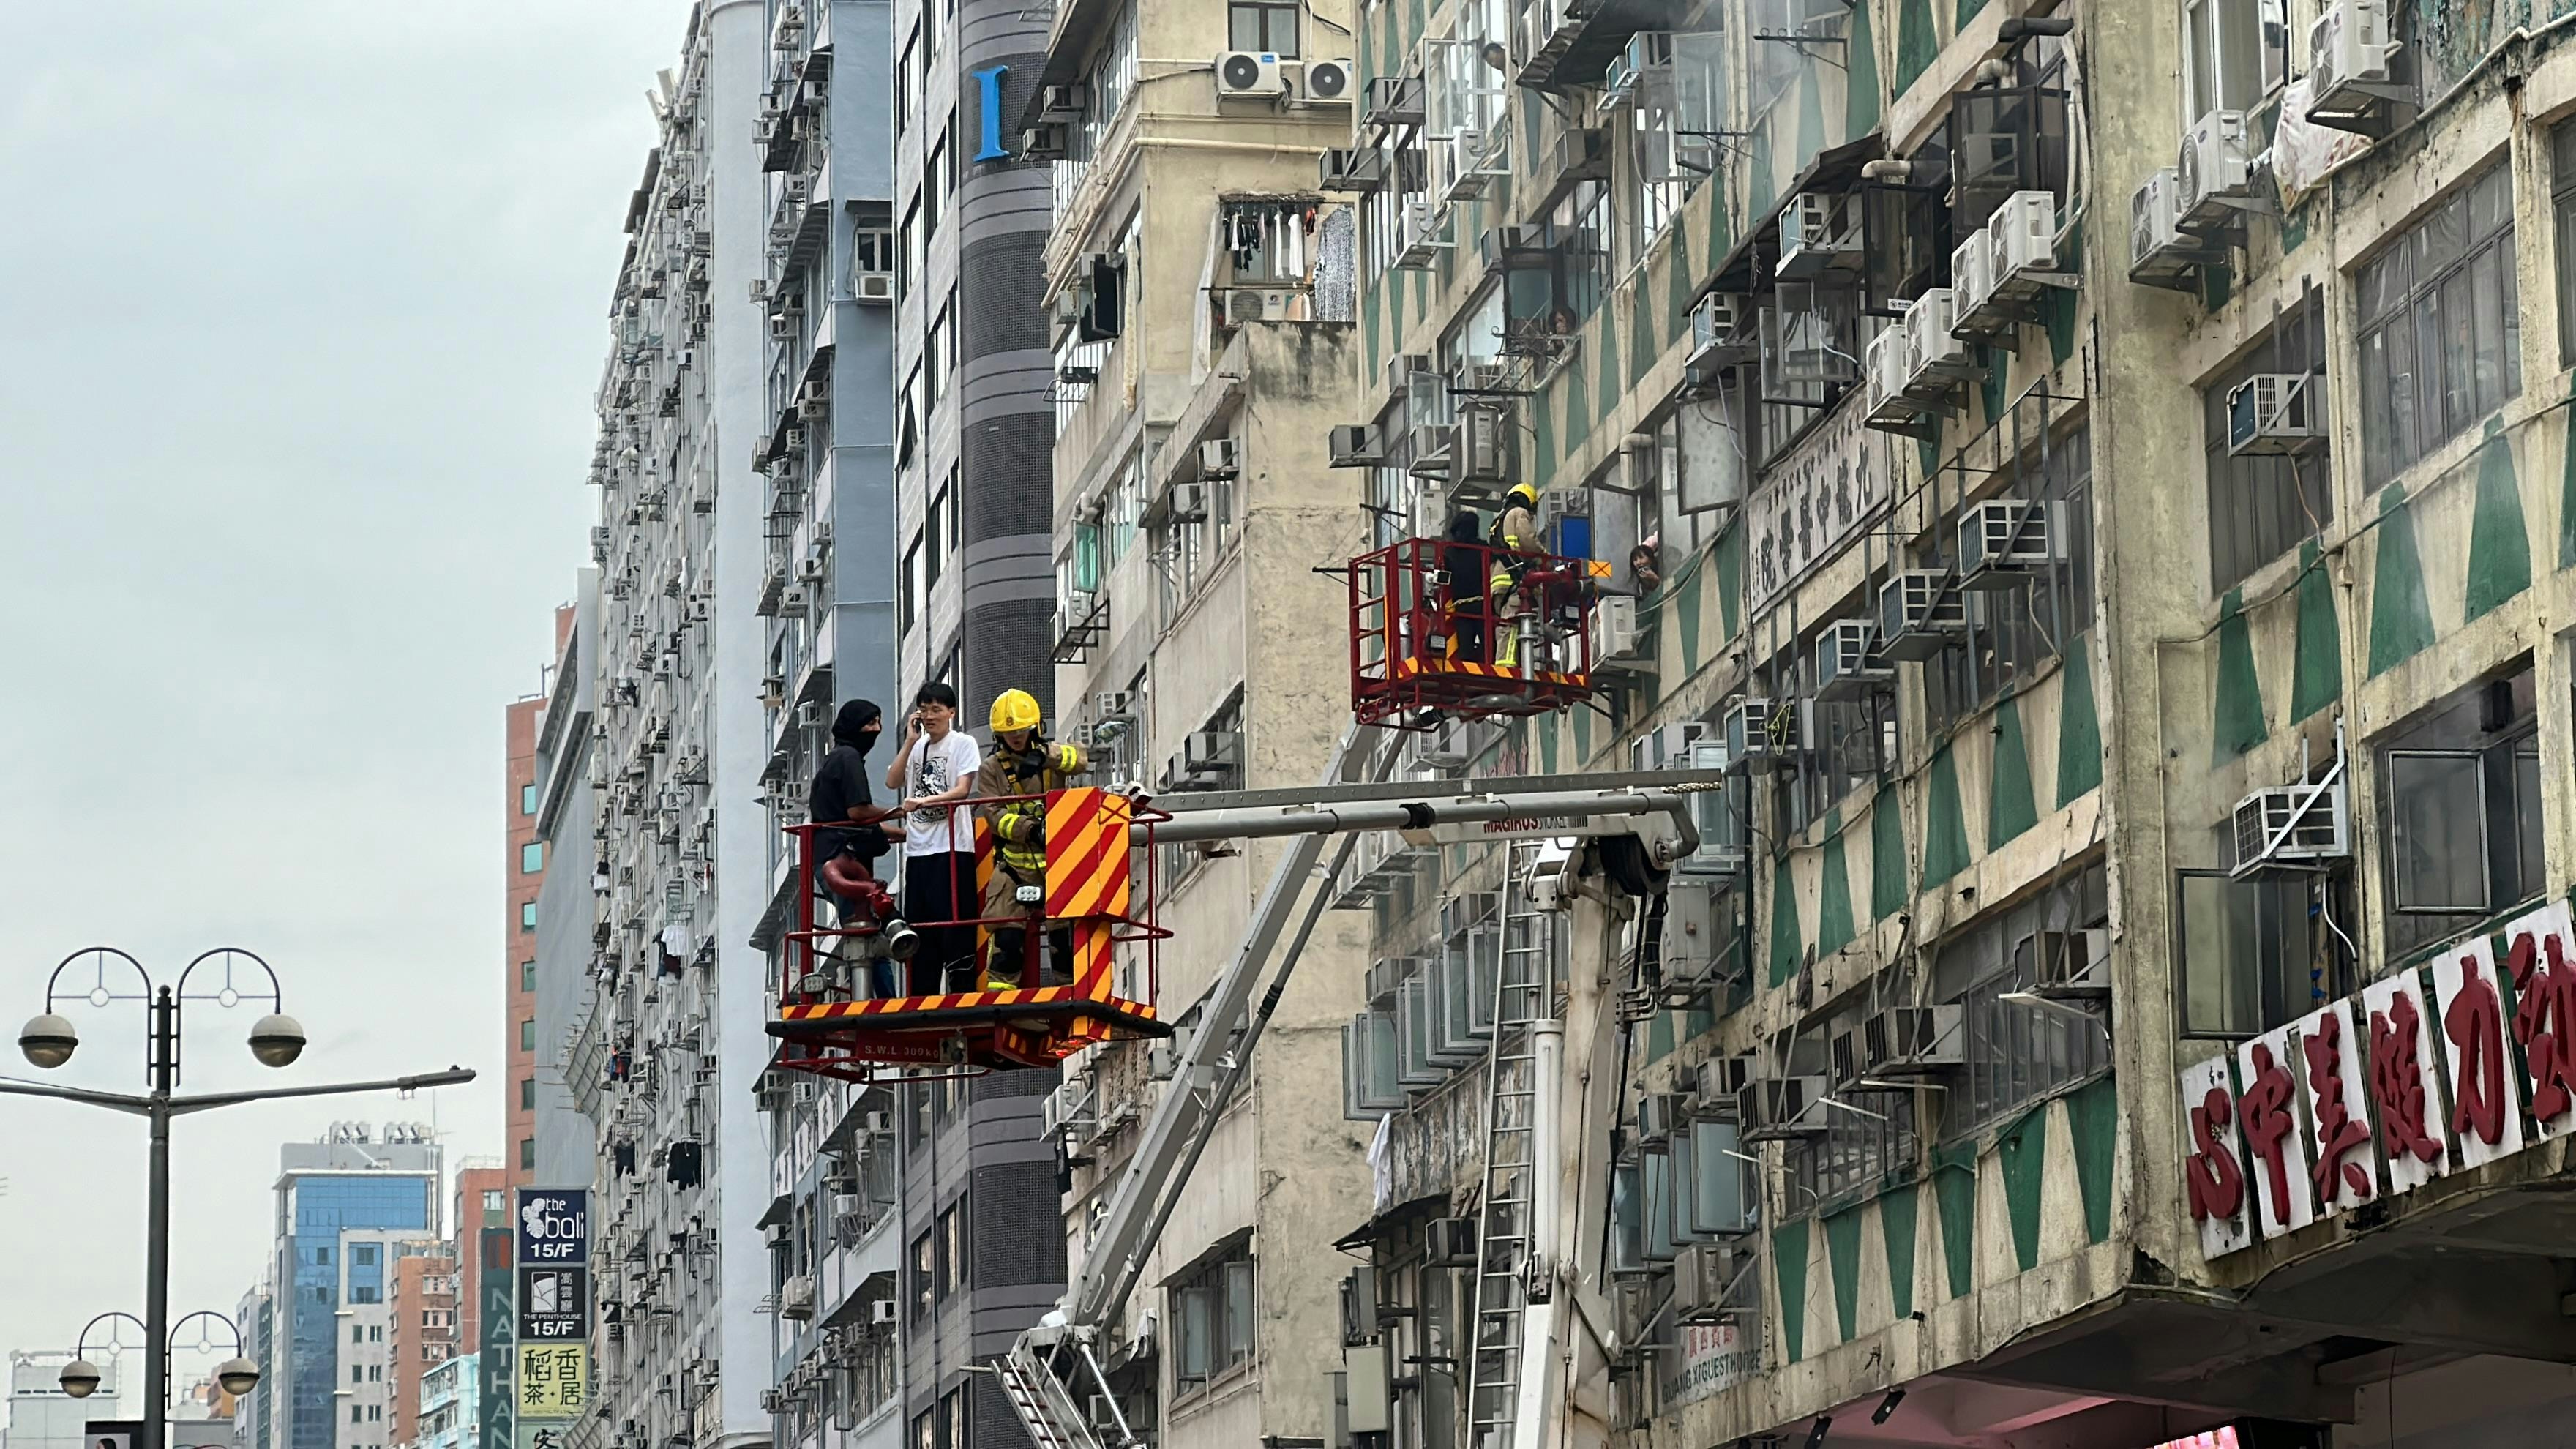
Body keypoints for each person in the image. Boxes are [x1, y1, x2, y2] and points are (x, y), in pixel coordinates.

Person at [973, 688, 1089, 989]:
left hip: (1057, 864)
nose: (1015, 737)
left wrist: (1044, 757)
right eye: (1008, 732)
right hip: (1014, 864)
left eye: (1021, 730)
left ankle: (1068, 1000)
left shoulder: (1052, 757)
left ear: (1035, 727)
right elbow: (995, 816)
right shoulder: (991, 770)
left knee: (1063, 942)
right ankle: (1001, 1003)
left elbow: (1080, 758)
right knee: (1006, 939)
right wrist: (1031, 830)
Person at [884, 682, 983, 992]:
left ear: (951, 712)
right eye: (924, 710)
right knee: (921, 930)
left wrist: (923, 802)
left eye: (936, 710)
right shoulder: (917, 747)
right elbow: (892, 781)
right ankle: (921, 993)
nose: (929, 716)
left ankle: (962, 990)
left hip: (952, 849)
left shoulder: (962, 743)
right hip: (918, 852)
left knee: (955, 927)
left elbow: (962, 789)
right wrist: (909, 741)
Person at [807, 699, 899, 995]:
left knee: (866, 928)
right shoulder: (848, 758)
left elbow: (862, 823)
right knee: (867, 933)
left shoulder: (837, 759)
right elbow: (858, 813)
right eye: (870, 723)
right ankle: (885, 1002)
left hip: (833, 856)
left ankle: (881, 998)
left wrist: (907, 833)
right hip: (841, 861)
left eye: (878, 723)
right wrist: (898, 811)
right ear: (853, 725)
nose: (877, 730)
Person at [1486, 483, 1546, 668]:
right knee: (1511, 624)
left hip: (1498, 582)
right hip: (1514, 579)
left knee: (1507, 624)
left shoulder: (1498, 521)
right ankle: (1508, 668)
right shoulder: (1519, 513)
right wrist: (1544, 555)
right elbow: (1527, 540)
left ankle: (1510, 663)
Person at [1437, 507, 1487, 662]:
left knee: (1465, 650)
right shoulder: (1484, 549)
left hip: (1461, 607)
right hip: (1483, 606)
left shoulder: (1448, 553)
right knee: (1488, 647)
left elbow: (1443, 582)